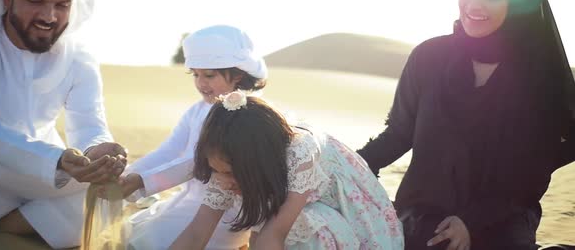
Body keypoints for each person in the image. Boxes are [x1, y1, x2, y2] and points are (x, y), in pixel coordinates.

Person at [356, 0, 575, 250]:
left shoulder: (539, 75)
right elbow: (399, 134)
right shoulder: (428, 57)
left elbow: (536, 168)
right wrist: (351, 165)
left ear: (517, 3)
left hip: (501, 220)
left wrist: (473, 219)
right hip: (422, 218)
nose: (473, 4)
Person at [0, 0, 126, 249]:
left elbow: (88, 123)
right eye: (35, 1)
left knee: (117, 189)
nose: (49, 16)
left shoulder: (78, 55)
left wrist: (98, 150)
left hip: (47, 177)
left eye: (62, 5)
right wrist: (57, 160)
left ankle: (2, 229)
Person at [170, 91, 405, 249]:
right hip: (293, 206)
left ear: (256, 161)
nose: (224, 181)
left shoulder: (300, 152)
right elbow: (196, 233)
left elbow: (276, 232)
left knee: (303, 221)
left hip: (349, 215)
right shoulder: (227, 166)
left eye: (230, 173)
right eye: (216, 170)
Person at [116, 25, 267, 249]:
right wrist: (129, 175)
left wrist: (142, 182)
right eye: (195, 74)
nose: (200, 83)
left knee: (151, 243)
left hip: (225, 210)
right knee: (131, 233)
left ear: (237, 75)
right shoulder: (197, 110)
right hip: (190, 200)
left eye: (209, 75)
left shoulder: (243, 115)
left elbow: (199, 163)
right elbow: (168, 150)